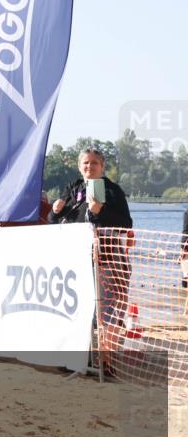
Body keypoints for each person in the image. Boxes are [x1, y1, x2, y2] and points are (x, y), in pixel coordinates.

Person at [48, 146, 133, 375]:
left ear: (102, 166)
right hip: (76, 261)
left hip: (108, 260)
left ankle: (107, 362)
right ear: (79, 166)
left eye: (94, 163)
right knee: (77, 310)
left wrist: (100, 211)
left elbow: (126, 224)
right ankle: (77, 358)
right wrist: (54, 211)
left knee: (108, 312)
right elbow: (53, 221)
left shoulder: (113, 191)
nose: (89, 166)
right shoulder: (73, 188)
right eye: (85, 163)